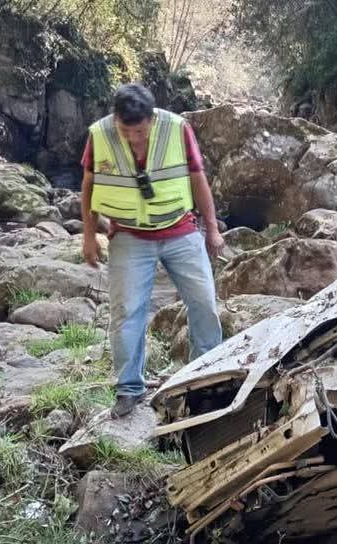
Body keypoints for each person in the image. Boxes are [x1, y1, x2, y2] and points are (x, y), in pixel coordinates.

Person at [80, 84, 224, 417]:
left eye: (140, 131)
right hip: (129, 236)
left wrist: (212, 228)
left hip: (180, 229)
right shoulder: (99, 134)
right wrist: (88, 236)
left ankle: (207, 378)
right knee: (127, 313)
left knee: (204, 302)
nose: (134, 138)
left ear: (152, 120)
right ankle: (129, 389)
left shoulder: (176, 128)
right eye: (126, 131)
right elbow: (88, 185)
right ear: (116, 120)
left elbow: (197, 176)